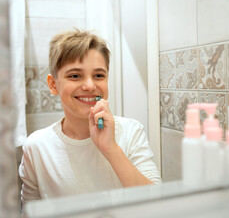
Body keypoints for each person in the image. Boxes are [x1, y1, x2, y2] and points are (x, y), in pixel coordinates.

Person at [19, 29, 162, 204]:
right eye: (75, 76)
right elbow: (29, 211)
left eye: (99, 75)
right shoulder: (37, 147)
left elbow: (158, 205)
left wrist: (110, 149)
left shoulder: (131, 132)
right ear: (53, 84)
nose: (89, 85)